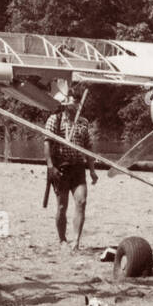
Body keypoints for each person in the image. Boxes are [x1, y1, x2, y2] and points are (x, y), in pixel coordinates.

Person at [45, 91, 97, 250]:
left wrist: (92, 171)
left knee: (81, 202)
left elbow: (88, 148)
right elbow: (47, 143)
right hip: (61, 168)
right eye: (71, 104)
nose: (73, 107)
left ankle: (76, 241)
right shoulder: (55, 119)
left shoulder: (83, 122)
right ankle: (62, 239)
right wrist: (50, 166)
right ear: (65, 105)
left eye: (76, 104)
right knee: (62, 206)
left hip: (78, 167)